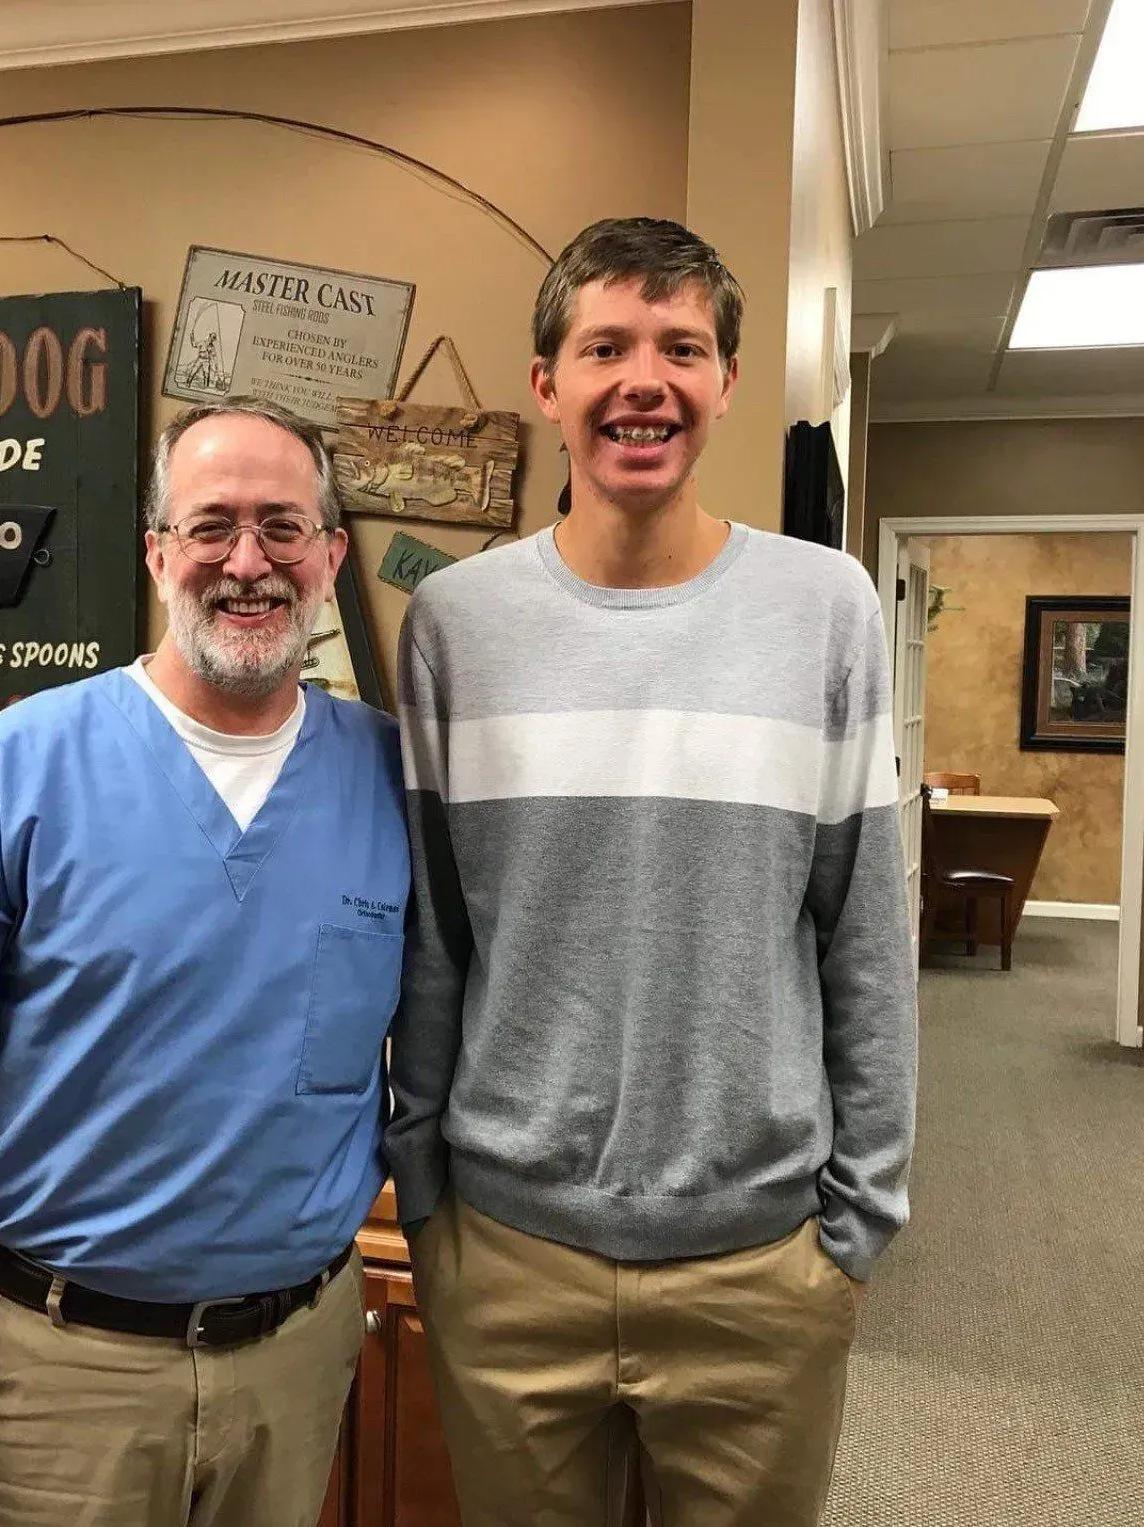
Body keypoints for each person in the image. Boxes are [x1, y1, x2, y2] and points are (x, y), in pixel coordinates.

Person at [388, 217, 918, 1526]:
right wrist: (429, 1206)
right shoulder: (456, 625)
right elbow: (433, 936)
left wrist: (856, 1226)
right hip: (506, 1255)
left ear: (726, 382)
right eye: (605, 344)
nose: (645, 378)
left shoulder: (826, 607)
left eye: (682, 347)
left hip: (757, 1265)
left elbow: (865, 935)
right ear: (546, 383)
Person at [0, 397, 409, 1527]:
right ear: (157, 555)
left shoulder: (388, 779)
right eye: (210, 527)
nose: (247, 563)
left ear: (330, 557)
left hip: (293, 1362)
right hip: (61, 1372)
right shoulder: (26, 764)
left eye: (283, 527)